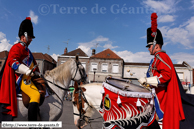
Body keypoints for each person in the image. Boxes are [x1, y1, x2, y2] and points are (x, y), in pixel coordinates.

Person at [138, 13, 187, 129]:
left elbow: (166, 75)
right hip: (155, 93)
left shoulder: (161, 57)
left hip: (162, 96)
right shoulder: (156, 58)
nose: (148, 48)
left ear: (155, 45)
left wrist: (148, 80)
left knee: (160, 120)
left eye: (150, 46)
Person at [0, 17, 41, 121]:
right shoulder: (16, 47)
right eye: (30, 37)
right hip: (21, 78)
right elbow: (13, 62)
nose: (31, 39)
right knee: (35, 95)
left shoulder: (27, 50)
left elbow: (34, 66)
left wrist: (37, 74)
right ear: (24, 36)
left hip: (29, 78)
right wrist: (27, 71)